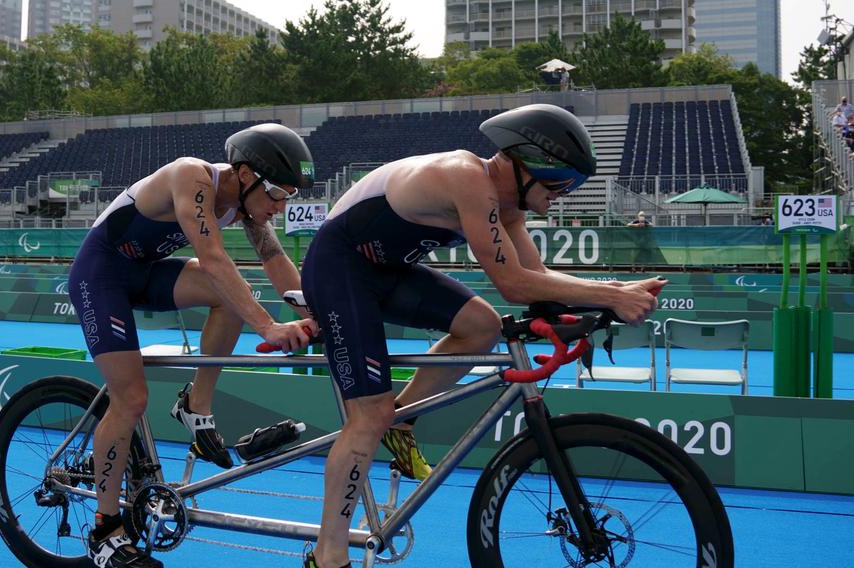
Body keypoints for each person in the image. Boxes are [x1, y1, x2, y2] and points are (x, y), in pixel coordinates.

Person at [300, 104, 666, 568]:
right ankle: (328, 554)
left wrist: (602, 298)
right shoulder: (467, 177)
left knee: (482, 326)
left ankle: (399, 421)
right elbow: (512, 283)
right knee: (366, 416)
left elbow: (538, 278)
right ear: (524, 164)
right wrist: (611, 294)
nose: (563, 196)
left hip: (386, 270)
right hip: (339, 265)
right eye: (559, 184)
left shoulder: (508, 207)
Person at [68, 123, 318, 567]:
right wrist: (267, 328)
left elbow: (275, 260)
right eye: (278, 192)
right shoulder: (193, 177)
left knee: (230, 300)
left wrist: (316, 315)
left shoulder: (247, 208)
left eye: (290, 197)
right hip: (100, 272)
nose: (281, 206)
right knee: (131, 399)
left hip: (144, 269)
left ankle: (195, 408)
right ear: (244, 175)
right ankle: (105, 530)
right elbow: (214, 258)